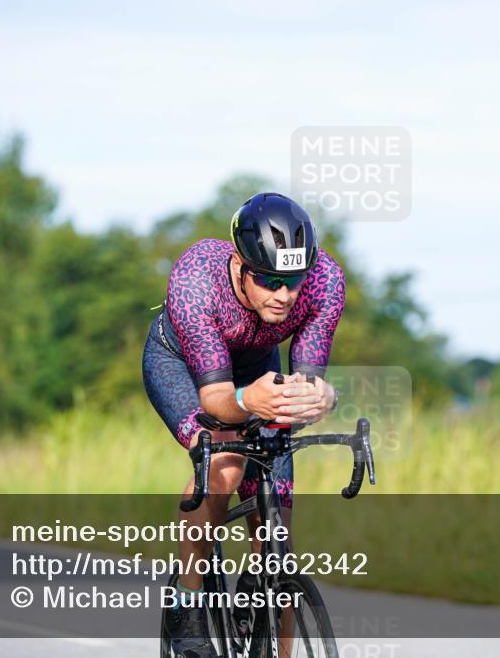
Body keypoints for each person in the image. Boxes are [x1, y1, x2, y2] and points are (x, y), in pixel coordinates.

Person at [142, 192, 345, 657]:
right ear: (240, 264)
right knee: (227, 462)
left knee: (277, 535)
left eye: (293, 280)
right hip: (182, 365)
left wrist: (320, 397)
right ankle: (186, 612)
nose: (285, 295)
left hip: (256, 364)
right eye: (270, 280)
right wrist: (244, 399)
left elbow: (308, 381)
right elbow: (216, 399)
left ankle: (270, 622)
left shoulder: (325, 281)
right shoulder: (197, 279)